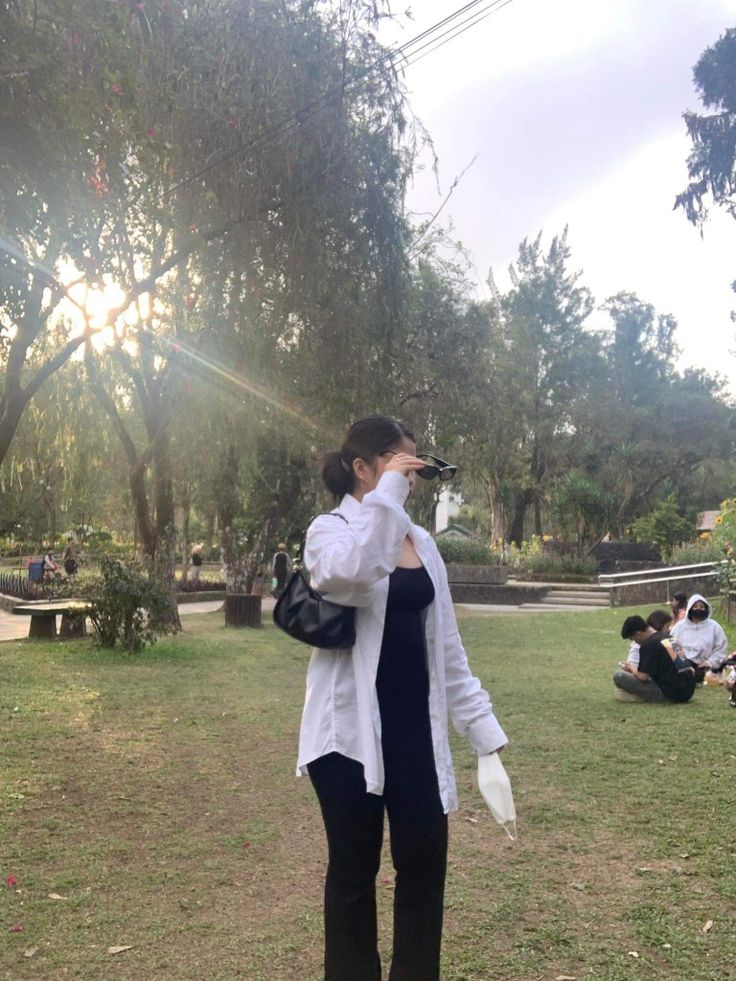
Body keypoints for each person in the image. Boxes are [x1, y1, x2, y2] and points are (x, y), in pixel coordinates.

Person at [297, 416, 508, 981]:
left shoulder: (423, 544)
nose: (409, 480)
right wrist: (384, 497)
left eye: (414, 468)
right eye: (397, 465)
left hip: (415, 733)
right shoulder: (329, 530)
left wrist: (483, 734)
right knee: (352, 875)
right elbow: (354, 574)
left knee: (422, 875)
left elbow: (447, 648)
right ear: (360, 468)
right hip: (347, 738)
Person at [614, 615, 696, 703]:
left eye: (633, 639)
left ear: (638, 634)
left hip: (670, 694)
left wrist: (631, 667)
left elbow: (643, 677)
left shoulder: (648, 644)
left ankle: (639, 697)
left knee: (619, 676)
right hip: (688, 692)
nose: (635, 642)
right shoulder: (669, 637)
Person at [670, 593, 728, 682]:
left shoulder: (714, 626)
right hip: (686, 663)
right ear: (690, 608)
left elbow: (721, 648)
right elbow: (672, 644)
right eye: (695, 606)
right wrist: (683, 661)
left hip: (707, 665)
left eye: (701, 606)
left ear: (706, 608)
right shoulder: (679, 627)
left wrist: (709, 662)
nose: (698, 609)